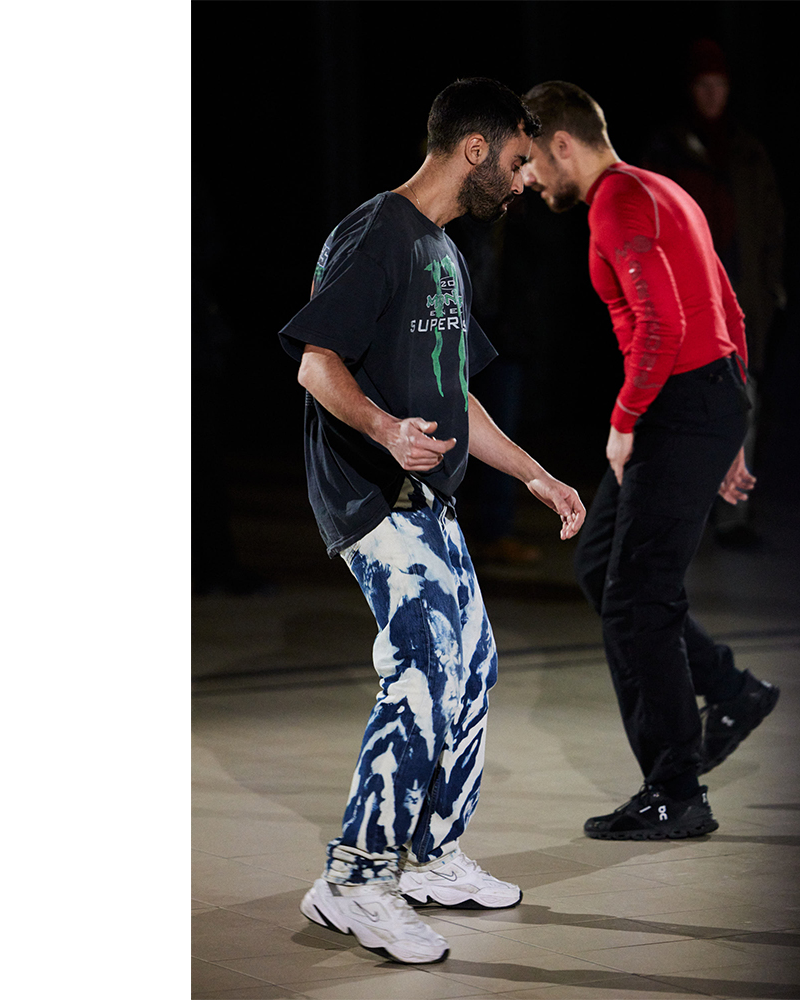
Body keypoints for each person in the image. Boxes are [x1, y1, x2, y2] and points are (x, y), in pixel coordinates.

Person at [278, 78, 586, 965]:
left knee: (473, 664)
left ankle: (430, 856)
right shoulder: (378, 232)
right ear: (476, 149)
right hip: (371, 494)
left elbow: (460, 395)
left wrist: (534, 474)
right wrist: (384, 428)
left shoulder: (444, 251)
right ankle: (353, 879)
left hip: (427, 497)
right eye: (518, 161)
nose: (525, 181)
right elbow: (315, 364)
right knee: (423, 666)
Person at [519, 81, 779, 841]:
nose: (526, 179)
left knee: (639, 599)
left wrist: (626, 420)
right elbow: (729, 307)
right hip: (704, 399)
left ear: (562, 144)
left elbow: (662, 326)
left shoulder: (618, 203)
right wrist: (734, 419)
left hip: (677, 404)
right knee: (602, 568)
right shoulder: (661, 188)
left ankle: (675, 790)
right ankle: (728, 689)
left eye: (529, 160)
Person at [642, 39, 787, 548]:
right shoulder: (667, 150)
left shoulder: (747, 152)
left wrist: (769, 288)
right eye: (703, 85)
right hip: (685, 308)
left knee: (742, 406)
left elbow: (771, 227)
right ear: (691, 89)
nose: (712, 94)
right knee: (680, 410)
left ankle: (732, 517)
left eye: (719, 85)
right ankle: (681, 513)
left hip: (740, 305)